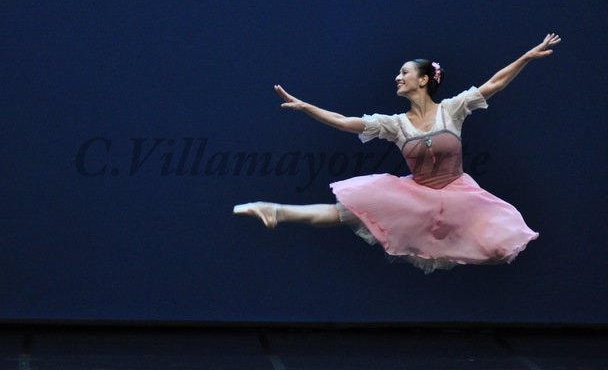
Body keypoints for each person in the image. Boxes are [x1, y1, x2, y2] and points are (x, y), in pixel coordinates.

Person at [234, 34, 561, 273]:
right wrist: (306, 107)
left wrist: (526, 58)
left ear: (422, 80)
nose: (397, 77)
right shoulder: (395, 125)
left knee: (501, 245)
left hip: (459, 193)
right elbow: (346, 123)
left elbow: (495, 84)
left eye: (404, 73)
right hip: (416, 195)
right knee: (344, 213)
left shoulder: (453, 109)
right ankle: (274, 209)